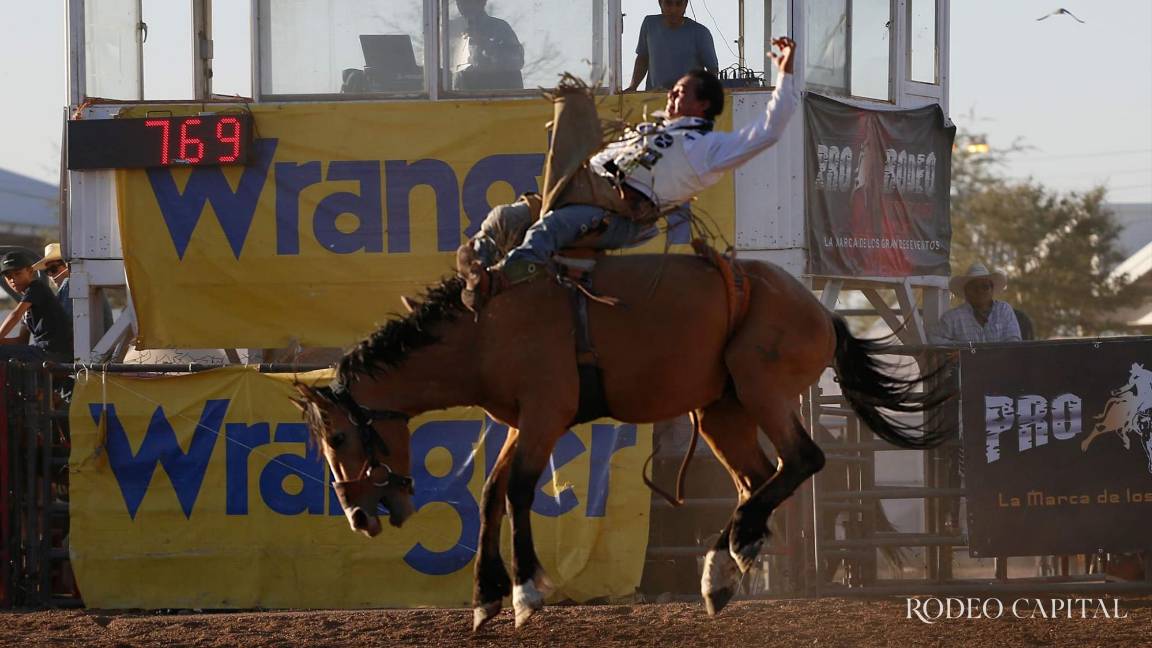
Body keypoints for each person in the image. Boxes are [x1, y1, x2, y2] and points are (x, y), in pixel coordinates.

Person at [459, 37, 797, 310]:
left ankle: (500, 281)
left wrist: (785, 76)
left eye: (680, 92)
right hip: (582, 190)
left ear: (703, 105)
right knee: (506, 216)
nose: (671, 95)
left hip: (618, 215)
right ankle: (467, 282)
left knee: (551, 227)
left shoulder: (707, 148)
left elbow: (768, 131)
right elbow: (599, 161)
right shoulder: (646, 131)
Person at [625, 0, 719, 92]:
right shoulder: (649, 24)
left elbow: (713, 70)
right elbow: (643, 58)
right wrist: (633, 86)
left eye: (678, 4)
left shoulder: (700, 33)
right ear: (660, 3)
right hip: (654, 99)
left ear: (685, 4)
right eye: (668, 3)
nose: (673, 10)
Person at [0, 250, 73, 362]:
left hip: (54, 353)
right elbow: (22, 340)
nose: (13, 279)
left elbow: (15, 315)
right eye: (8, 276)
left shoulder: (37, 288)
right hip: (41, 351)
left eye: (18, 273)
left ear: (30, 271)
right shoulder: (26, 303)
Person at [929, 262, 1022, 344]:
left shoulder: (1003, 310)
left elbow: (1014, 341)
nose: (980, 291)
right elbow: (933, 339)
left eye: (985, 287)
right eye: (973, 287)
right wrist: (961, 349)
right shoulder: (952, 317)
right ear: (966, 291)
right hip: (966, 364)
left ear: (992, 290)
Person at [33, 242, 114, 332]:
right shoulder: (71, 287)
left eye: (53, 269)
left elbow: (63, 323)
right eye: (47, 271)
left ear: (67, 266)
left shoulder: (70, 283)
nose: (51, 275)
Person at [450, 0, 525, 91]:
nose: (464, 5)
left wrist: (487, 46)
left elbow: (517, 61)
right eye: (460, 1)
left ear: (482, 2)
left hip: (495, 97)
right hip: (457, 98)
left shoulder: (499, 28)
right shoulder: (449, 29)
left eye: (469, 1)